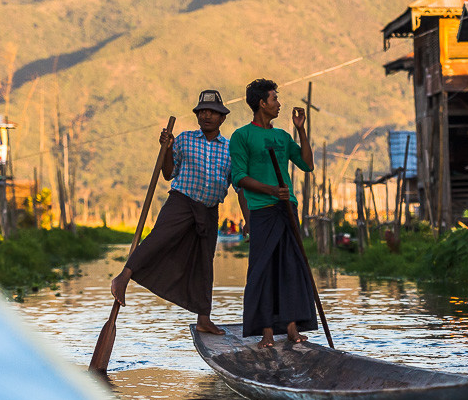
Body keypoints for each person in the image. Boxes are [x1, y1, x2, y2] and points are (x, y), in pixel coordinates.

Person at [110, 89, 246, 335]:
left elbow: (239, 186)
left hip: (209, 210)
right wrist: (166, 149)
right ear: (197, 115)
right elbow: (167, 173)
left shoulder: (230, 149)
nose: (207, 116)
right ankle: (123, 277)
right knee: (158, 240)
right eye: (202, 111)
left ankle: (204, 317)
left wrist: (249, 220)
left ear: (222, 118)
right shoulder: (184, 140)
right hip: (181, 202)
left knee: (205, 262)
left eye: (212, 113)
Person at [230, 78, 316, 348]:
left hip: (287, 208)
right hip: (262, 210)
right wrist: (269, 190)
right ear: (261, 103)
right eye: (274, 99)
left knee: (291, 268)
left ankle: (291, 328)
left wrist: (301, 131)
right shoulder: (241, 136)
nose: (279, 103)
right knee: (262, 270)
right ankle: (266, 331)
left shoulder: (282, 137)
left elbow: (307, 165)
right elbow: (240, 177)